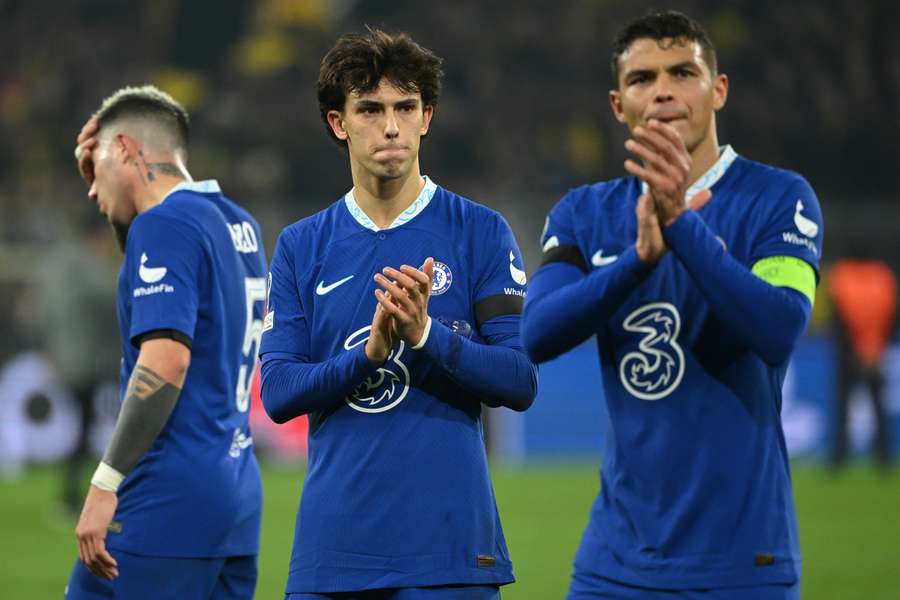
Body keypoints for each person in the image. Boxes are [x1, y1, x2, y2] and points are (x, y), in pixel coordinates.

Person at [521, 11, 823, 600]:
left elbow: (780, 327)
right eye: (642, 78)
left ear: (719, 89)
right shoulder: (584, 212)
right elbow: (536, 333)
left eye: (683, 71)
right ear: (618, 104)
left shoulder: (778, 198)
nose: (662, 89)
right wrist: (636, 262)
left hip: (742, 562)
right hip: (613, 565)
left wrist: (680, 225)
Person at [259, 28, 537, 600]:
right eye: (370, 109)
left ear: (426, 117)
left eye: (406, 107)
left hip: (450, 556)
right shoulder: (301, 246)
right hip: (332, 558)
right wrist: (368, 356)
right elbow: (280, 391)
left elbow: (519, 379)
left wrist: (428, 334)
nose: (390, 125)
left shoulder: (480, 231)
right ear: (339, 123)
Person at [65, 85, 267, 599]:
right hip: (234, 496)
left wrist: (104, 482)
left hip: (165, 499)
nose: (91, 189)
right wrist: (114, 203)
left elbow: (167, 361)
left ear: (128, 150)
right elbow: (152, 272)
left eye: (99, 164)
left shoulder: (164, 226)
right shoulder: (238, 223)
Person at [827, 258, 897, 469]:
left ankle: (839, 459)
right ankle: (883, 457)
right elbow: (891, 316)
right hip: (875, 351)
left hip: (848, 355)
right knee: (877, 406)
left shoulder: (841, 277)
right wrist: (873, 348)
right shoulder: (883, 278)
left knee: (843, 407)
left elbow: (837, 320)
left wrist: (851, 350)